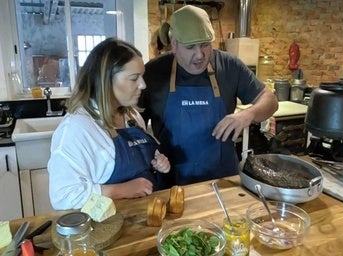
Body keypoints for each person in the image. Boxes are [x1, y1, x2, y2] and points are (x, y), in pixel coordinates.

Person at [138, 5, 278, 186]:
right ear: (174, 44)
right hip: (171, 184)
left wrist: (248, 114)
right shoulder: (153, 72)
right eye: (190, 47)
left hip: (223, 181)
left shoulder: (229, 66)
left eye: (205, 44)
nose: (200, 55)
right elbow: (134, 126)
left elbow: (271, 101)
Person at [48, 38, 170, 210]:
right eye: (134, 78)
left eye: (142, 77)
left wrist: (157, 162)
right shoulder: (76, 129)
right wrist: (121, 190)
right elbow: (63, 196)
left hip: (147, 218)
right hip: (110, 229)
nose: (143, 85)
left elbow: (141, 161)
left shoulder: (131, 114)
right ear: (106, 80)